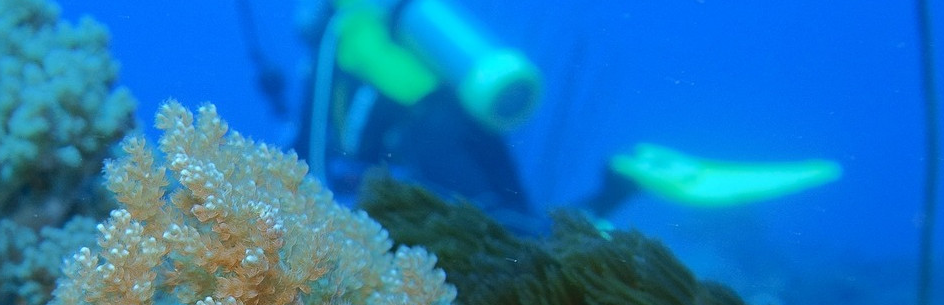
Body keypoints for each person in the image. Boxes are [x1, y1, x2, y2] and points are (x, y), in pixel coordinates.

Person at [273, 0, 842, 237]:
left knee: (520, 241)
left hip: (426, 133)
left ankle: (621, 193)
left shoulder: (332, 34)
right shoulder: (383, 20)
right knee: (526, 228)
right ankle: (623, 183)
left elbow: (313, 157)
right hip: (464, 117)